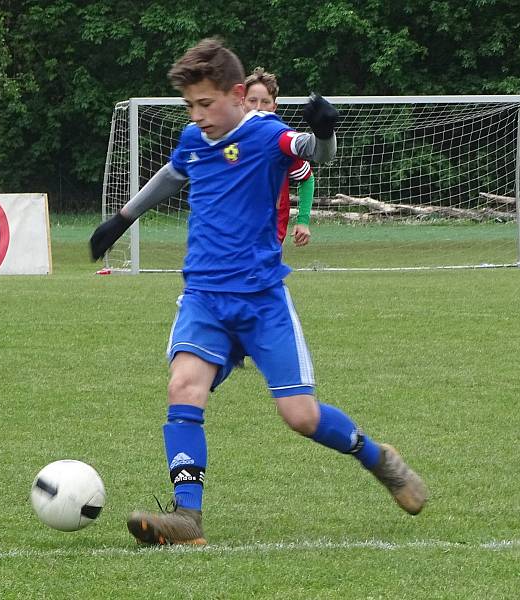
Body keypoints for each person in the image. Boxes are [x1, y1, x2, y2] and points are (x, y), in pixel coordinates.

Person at [90, 38, 427, 546]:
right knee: (183, 387)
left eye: (206, 104)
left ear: (239, 94)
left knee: (300, 416)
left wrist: (326, 129)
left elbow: (318, 156)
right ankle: (187, 518)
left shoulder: (269, 134)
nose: (198, 115)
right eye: (191, 106)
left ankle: (377, 458)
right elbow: (171, 175)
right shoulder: (193, 139)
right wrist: (121, 219)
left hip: (261, 299)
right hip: (203, 295)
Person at [244, 67, 313, 246]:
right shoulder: (226, 137)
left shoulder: (281, 141)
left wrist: (303, 220)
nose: (258, 107)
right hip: (233, 236)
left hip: (270, 239)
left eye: (265, 102)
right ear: (242, 101)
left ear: (274, 107)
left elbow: (306, 177)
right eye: (252, 100)